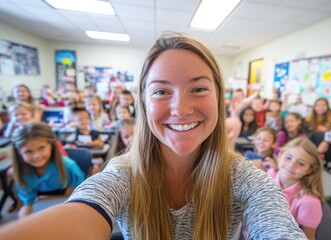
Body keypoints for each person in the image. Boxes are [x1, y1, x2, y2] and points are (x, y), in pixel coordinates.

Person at [0, 32, 306, 239]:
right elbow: (84, 211)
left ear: (219, 98)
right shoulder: (121, 177)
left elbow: (278, 226)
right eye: (161, 91)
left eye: (198, 88)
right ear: (143, 102)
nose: (181, 109)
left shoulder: (247, 179)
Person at [11, 122, 84, 218]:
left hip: (68, 200)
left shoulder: (69, 166)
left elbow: (74, 198)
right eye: (28, 151)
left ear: (52, 145)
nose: (36, 156)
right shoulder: (23, 172)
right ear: (19, 153)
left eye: (41, 148)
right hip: (42, 202)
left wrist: (52, 198)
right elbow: (28, 203)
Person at [267, 138, 325, 240]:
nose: (291, 165)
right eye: (288, 158)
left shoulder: (309, 202)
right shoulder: (269, 175)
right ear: (280, 155)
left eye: (301, 163)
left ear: (309, 170)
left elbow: (309, 237)